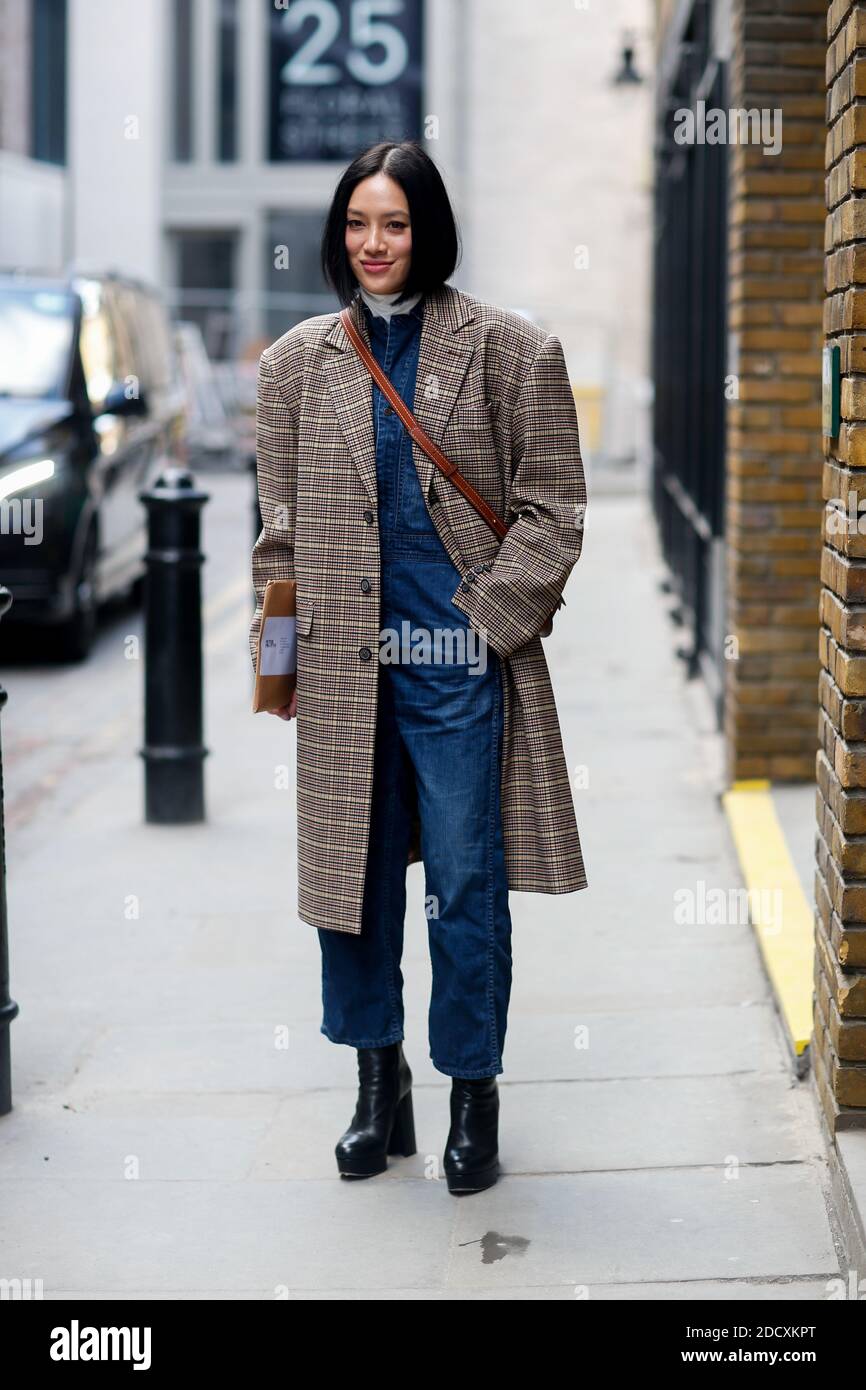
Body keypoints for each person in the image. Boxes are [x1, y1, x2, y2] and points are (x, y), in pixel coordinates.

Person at [249, 140, 588, 1196]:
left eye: (393, 224)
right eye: (357, 223)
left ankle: (472, 1092)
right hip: (346, 675)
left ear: (426, 230)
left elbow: (552, 510)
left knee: (464, 887)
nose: (373, 244)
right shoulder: (296, 363)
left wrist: (485, 623)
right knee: (347, 887)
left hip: (456, 668)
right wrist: (274, 669)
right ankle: (374, 1084)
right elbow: (277, 539)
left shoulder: (509, 350)